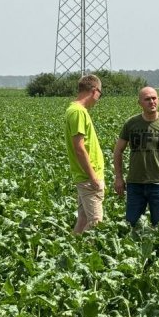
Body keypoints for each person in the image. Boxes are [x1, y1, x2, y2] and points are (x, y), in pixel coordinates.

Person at [112, 86, 159, 227]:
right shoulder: (131, 123)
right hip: (135, 184)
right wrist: (118, 177)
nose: (151, 101)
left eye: (154, 98)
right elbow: (118, 151)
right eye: (147, 99)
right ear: (139, 102)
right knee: (131, 225)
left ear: (158, 100)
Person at [64, 74, 105, 234]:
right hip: (88, 177)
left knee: (83, 220)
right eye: (100, 94)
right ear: (94, 90)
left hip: (86, 177)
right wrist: (93, 177)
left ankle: (71, 253)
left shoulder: (76, 110)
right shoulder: (78, 112)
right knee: (96, 222)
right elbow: (79, 148)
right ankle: (85, 256)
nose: (98, 99)